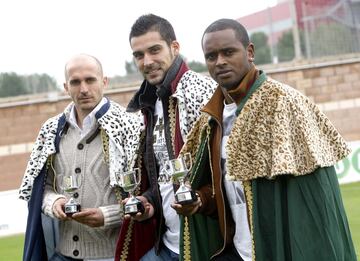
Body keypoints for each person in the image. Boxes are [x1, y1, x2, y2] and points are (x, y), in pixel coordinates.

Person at [176, 19, 357, 261]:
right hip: (235, 250)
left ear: (249, 52)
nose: (220, 62)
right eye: (211, 56)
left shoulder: (285, 102)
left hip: (277, 248)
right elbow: (224, 188)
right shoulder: (210, 118)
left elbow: (311, 200)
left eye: (228, 52)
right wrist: (200, 200)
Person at [19, 54, 143, 261]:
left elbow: (146, 195)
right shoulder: (51, 130)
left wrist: (108, 216)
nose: (83, 89)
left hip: (115, 255)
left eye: (90, 80)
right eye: (75, 82)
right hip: (63, 254)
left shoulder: (131, 125)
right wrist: (54, 202)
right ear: (66, 87)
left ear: (104, 82)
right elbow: (40, 188)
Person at [114, 14, 218, 261]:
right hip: (167, 243)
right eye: (139, 55)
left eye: (154, 50)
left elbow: (222, 171)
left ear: (175, 47)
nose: (147, 61)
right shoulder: (149, 104)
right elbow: (162, 174)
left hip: (206, 242)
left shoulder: (201, 92)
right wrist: (148, 201)